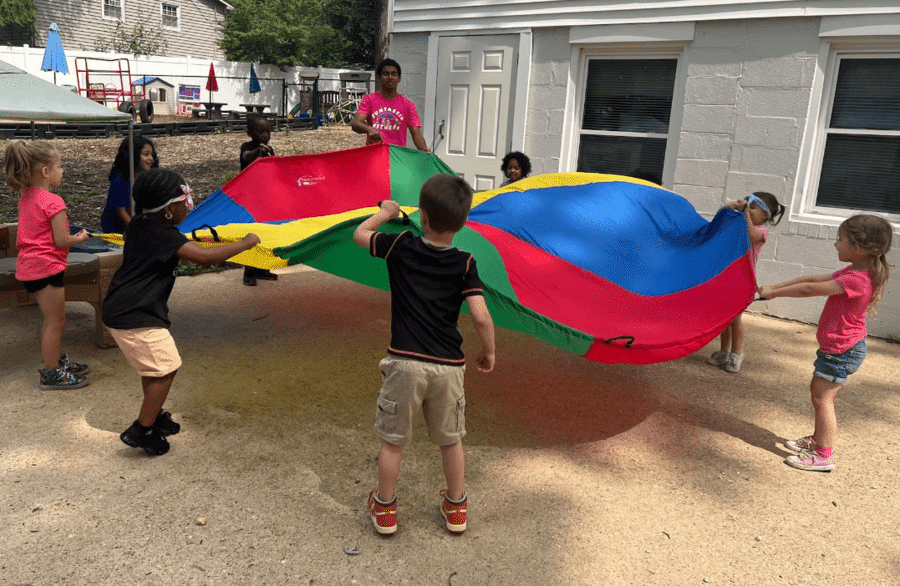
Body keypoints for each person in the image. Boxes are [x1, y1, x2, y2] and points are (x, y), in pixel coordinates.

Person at [352, 174, 496, 536]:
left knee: (393, 441)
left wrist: (386, 212)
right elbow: (480, 315)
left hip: (404, 363)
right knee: (451, 439)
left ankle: (385, 510)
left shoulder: (400, 243)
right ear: (462, 223)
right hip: (448, 367)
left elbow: (359, 235)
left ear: (424, 218)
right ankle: (457, 507)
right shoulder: (465, 262)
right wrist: (489, 351)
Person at [102, 168, 260, 456]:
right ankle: (142, 430)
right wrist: (246, 243)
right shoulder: (164, 234)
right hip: (135, 314)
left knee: (154, 368)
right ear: (168, 209)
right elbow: (201, 259)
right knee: (166, 367)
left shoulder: (141, 223)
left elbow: (183, 246)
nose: (188, 207)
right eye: (185, 202)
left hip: (125, 307)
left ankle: (154, 412)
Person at [758, 214, 892, 472]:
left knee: (823, 400)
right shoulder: (855, 271)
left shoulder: (858, 280)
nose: (835, 244)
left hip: (842, 350)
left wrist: (775, 293)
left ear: (859, 247)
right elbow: (812, 279)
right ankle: (819, 440)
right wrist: (774, 288)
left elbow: (811, 290)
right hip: (838, 348)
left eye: (840, 239)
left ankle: (824, 455)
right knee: (818, 394)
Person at [4, 140, 91, 390]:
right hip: (46, 266)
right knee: (56, 321)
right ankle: (51, 373)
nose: (62, 170)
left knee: (53, 319)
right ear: (45, 172)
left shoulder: (27, 197)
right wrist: (81, 238)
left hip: (31, 266)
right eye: (60, 166)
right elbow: (62, 240)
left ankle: (55, 361)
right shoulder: (53, 202)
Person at [708, 192, 785, 373]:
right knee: (725, 319)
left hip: (743, 281)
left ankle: (736, 354)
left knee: (735, 319)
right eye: (747, 206)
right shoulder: (740, 225)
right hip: (727, 278)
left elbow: (751, 235)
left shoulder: (761, 231)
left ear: (765, 215)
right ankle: (723, 351)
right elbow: (719, 219)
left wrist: (744, 213)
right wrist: (730, 206)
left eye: (752, 208)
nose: (747, 210)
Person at [351, 58, 430, 152]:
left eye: (394, 74)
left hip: (397, 156)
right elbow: (356, 123)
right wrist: (369, 129)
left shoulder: (408, 104)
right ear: (379, 77)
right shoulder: (369, 99)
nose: (390, 77)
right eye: (386, 74)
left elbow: (416, 133)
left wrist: (425, 150)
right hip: (374, 153)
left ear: (399, 78)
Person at [239, 114, 279, 286]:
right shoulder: (247, 147)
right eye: (261, 131)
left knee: (265, 234)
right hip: (250, 199)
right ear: (250, 133)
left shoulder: (268, 148)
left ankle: (263, 269)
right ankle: (249, 272)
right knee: (251, 234)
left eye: (268, 131)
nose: (265, 135)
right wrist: (258, 151)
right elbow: (246, 158)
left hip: (266, 198)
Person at [101, 136, 159, 234]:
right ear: (134, 155)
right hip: (117, 228)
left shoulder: (145, 177)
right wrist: (137, 231)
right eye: (146, 154)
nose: (151, 158)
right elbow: (121, 211)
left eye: (152, 155)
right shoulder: (120, 179)